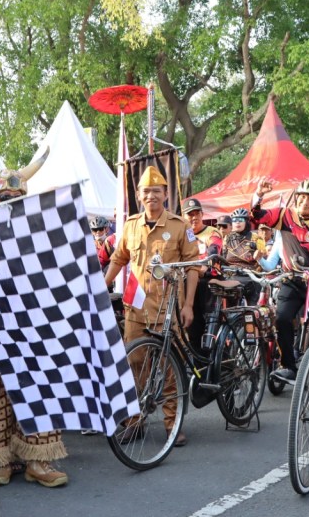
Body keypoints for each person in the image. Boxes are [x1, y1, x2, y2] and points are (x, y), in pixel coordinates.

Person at [0, 172, 70, 488]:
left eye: (19, 199)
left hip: (33, 331)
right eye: (6, 199)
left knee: (40, 393)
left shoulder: (41, 235)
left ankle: (38, 460)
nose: (12, 205)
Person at [105, 166, 200, 446]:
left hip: (169, 309)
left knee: (171, 371)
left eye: (156, 191)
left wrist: (189, 306)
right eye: (146, 191)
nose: (151, 196)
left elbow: (194, 267)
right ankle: (135, 422)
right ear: (138, 195)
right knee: (134, 366)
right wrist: (102, 285)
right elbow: (118, 258)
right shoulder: (131, 225)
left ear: (166, 194)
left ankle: (173, 424)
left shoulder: (179, 226)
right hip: (136, 310)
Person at [251, 178, 309, 382]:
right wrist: (259, 195)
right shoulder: (284, 215)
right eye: (302, 198)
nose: (305, 203)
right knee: (281, 319)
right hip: (291, 279)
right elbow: (258, 217)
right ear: (296, 198)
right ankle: (288, 365)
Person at [181, 198, 223, 352]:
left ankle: (219, 366)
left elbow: (213, 250)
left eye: (197, 213)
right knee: (192, 329)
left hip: (209, 283)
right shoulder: (183, 234)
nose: (194, 217)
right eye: (190, 214)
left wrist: (204, 265)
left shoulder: (212, 232)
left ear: (202, 214)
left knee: (209, 330)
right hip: (188, 282)